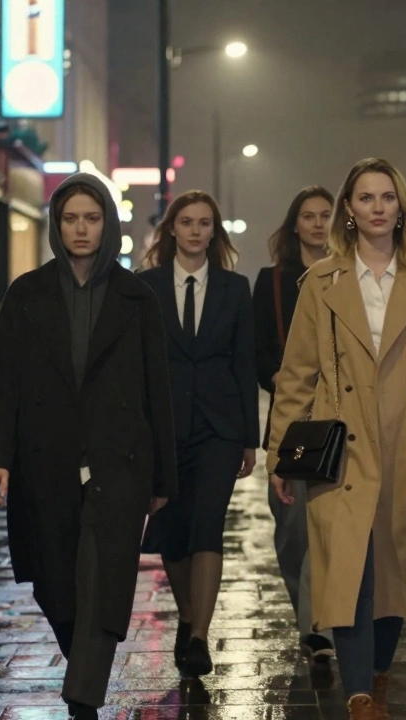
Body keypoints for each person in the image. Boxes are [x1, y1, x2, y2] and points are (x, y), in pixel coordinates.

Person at [268, 158, 406, 720]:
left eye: (387, 197)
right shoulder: (322, 282)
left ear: (401, 207)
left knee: (394, 575)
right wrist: (280, 455)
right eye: (366, 198)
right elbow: (297, 374)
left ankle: (377, 678)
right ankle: (359, 695)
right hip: (345, 450)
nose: (377, 207)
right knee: (349, 572)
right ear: (349, 210)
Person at [0, 173, 176, 719]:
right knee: (56, 586)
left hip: (119, 462)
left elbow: (157, 390)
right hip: (47, 460)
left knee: (104, 580)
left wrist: (162, 477)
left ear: (108, 224)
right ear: (56, 225)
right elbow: (3, 382)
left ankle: (82, 700)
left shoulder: (137, 298)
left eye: (91, 218)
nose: (81, 228)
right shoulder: (27, 294)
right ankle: (84, 670)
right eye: (70, 218)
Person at [139, 190, 258, 678]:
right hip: (163, 426)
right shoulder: (145, 286)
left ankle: (199, 637)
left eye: (204, 223)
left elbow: (244, 362)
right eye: (186, 221)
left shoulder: (235, 288)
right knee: (172, 528)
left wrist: (249, 438)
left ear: (214, 231)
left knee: (208, 524)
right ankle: (188, 615)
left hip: (219, 427)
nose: (194, 230)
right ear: (172, 228)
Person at [252, 185, 336, 662]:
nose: (318, 224)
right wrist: (282, 378)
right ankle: (310, 616)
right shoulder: (273, 282)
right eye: (309, 216)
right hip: (294, 420)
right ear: (295, 224)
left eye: (326, 214)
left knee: (332, 525)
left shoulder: (350, 274)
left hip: (342, 417)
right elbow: (259, 349)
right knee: (291, 529)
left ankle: (319, 625)